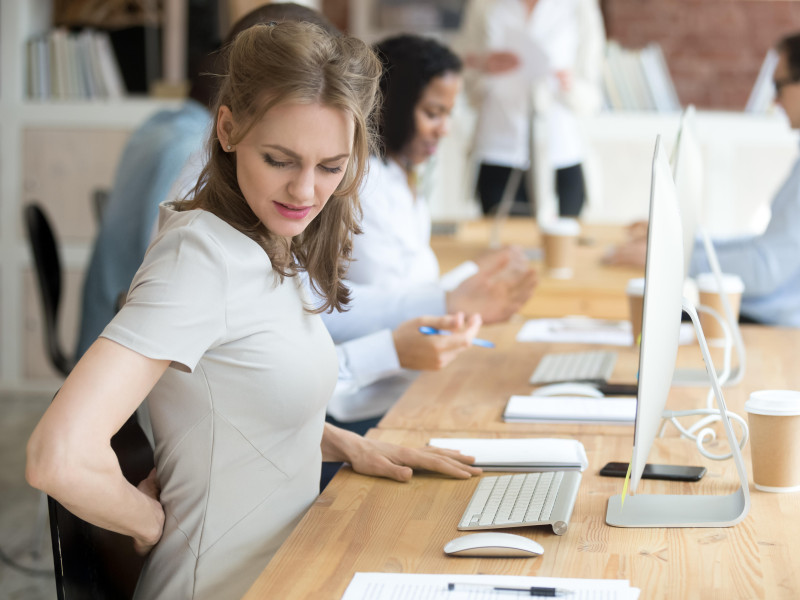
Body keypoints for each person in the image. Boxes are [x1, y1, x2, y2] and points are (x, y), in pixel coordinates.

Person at [26, 22, 480, 600]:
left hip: (291, 567)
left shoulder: (265, 241)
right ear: (228, 128)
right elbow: (57, 456)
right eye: (279, 159)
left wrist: (345, 442)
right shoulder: (201, 258)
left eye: (331, 166)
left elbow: (239, 398)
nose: (305, 192)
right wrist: (149, 523)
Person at [74, 2, 339, 359]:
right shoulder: (192, 167)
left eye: (331, 165)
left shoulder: (161, 124)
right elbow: (175, 275)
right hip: (132, 358)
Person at [319, 34, 538, 432]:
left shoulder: (400, 177)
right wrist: (466, 285)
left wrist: (474, 275)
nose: (444, 130)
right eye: (433, 113)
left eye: (448, 115)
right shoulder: (361, 187)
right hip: (364, 400)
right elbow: (393, 304)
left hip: (404, 383)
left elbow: (415, 295)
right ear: (394, 105)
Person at [606, 33, 800, 328]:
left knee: (631, 317)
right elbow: (765, 248)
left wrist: (674, 260)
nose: (774, 99)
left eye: (779, 85)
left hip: (771, 327)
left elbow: (765, 269)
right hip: (759, 316)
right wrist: (684, 243)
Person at [455, 0, 605, 218]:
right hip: (498, 148)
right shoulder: (483, 5)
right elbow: (459, 67)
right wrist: (483, 64)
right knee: (505, 244)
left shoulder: (580, 6)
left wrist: (570, 85)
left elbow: (593, 95)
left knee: (562, 241)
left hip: (561, 149)